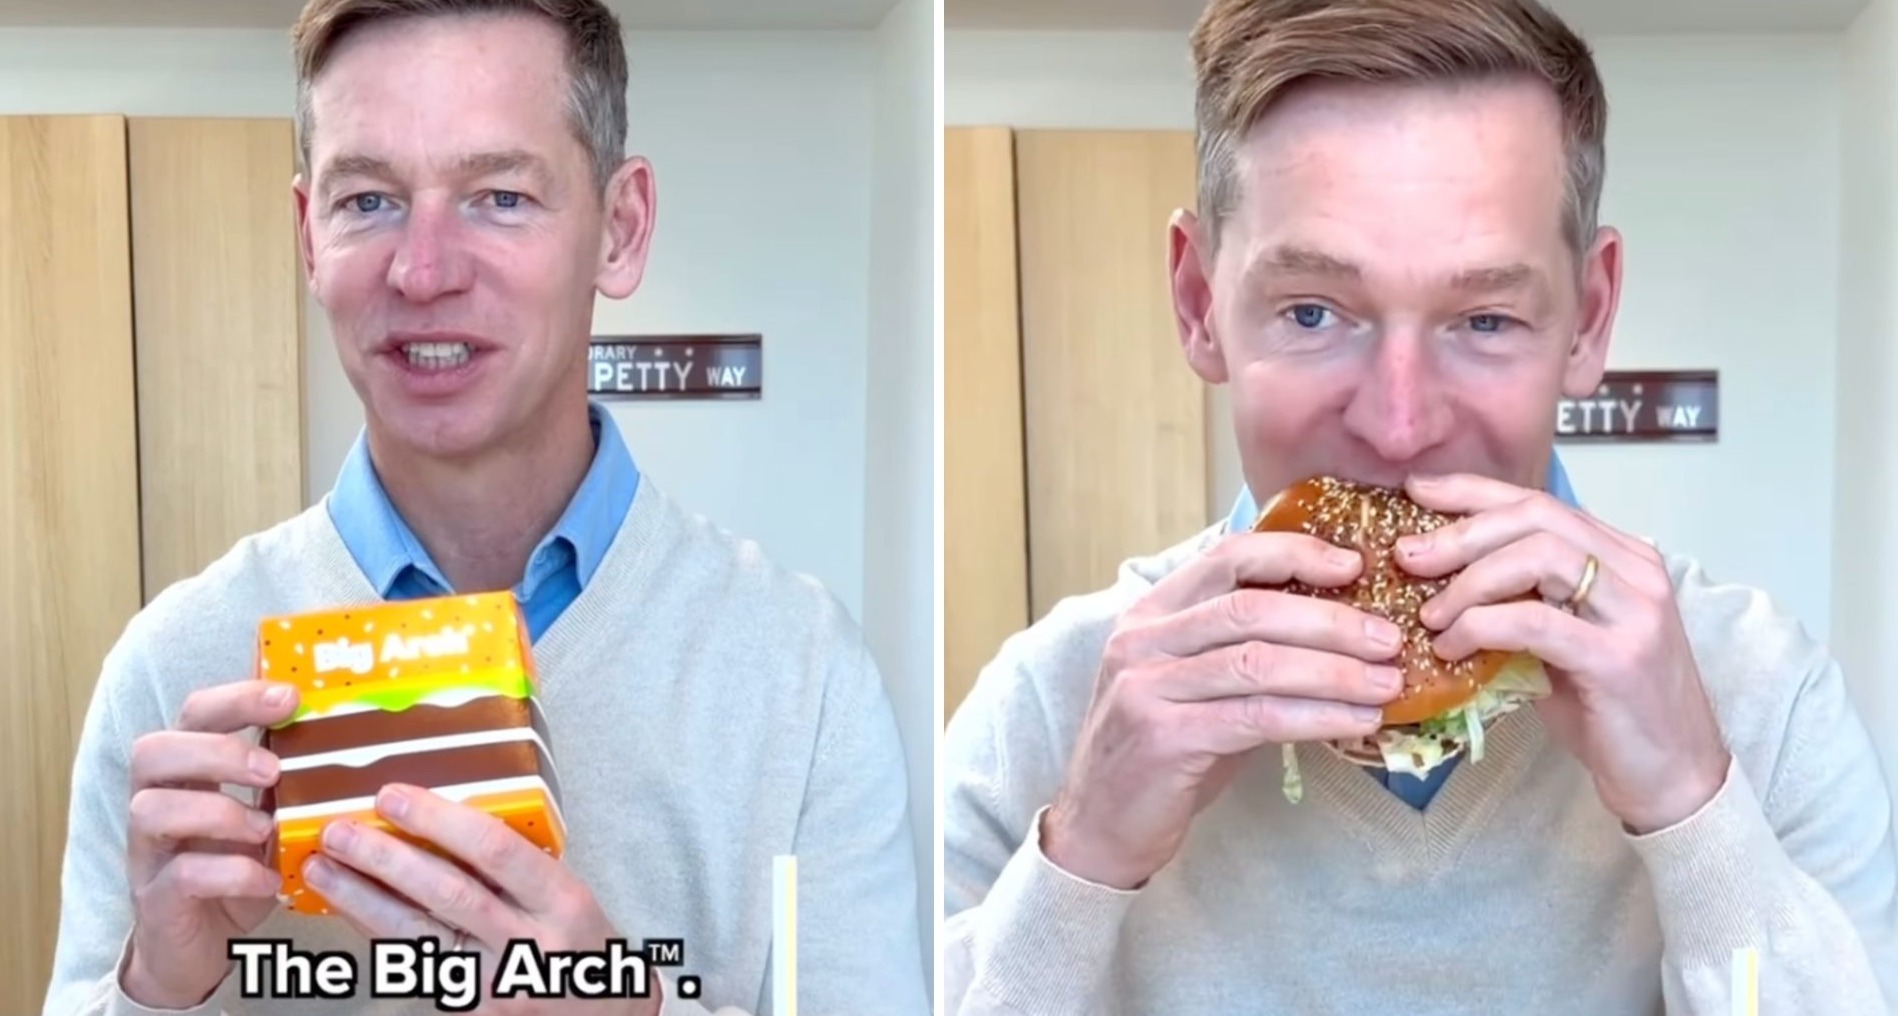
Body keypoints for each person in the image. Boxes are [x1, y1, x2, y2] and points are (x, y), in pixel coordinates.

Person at [940, 0, 1898, 1013]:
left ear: (1587, 318)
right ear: (1196, 302)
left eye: (1483, 318)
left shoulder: (1760, 694)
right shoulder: (1046, 703)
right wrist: (1081, 858)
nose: (1397, 425)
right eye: (1311, 311)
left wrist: (1695, 814)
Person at [40, 1, 929, 1014]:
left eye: (499, 196)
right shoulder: (173, 666)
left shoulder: (802, 674)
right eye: (367, 201)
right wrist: (155, 986)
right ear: (307, 238)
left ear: (621, 229)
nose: (422, 272)